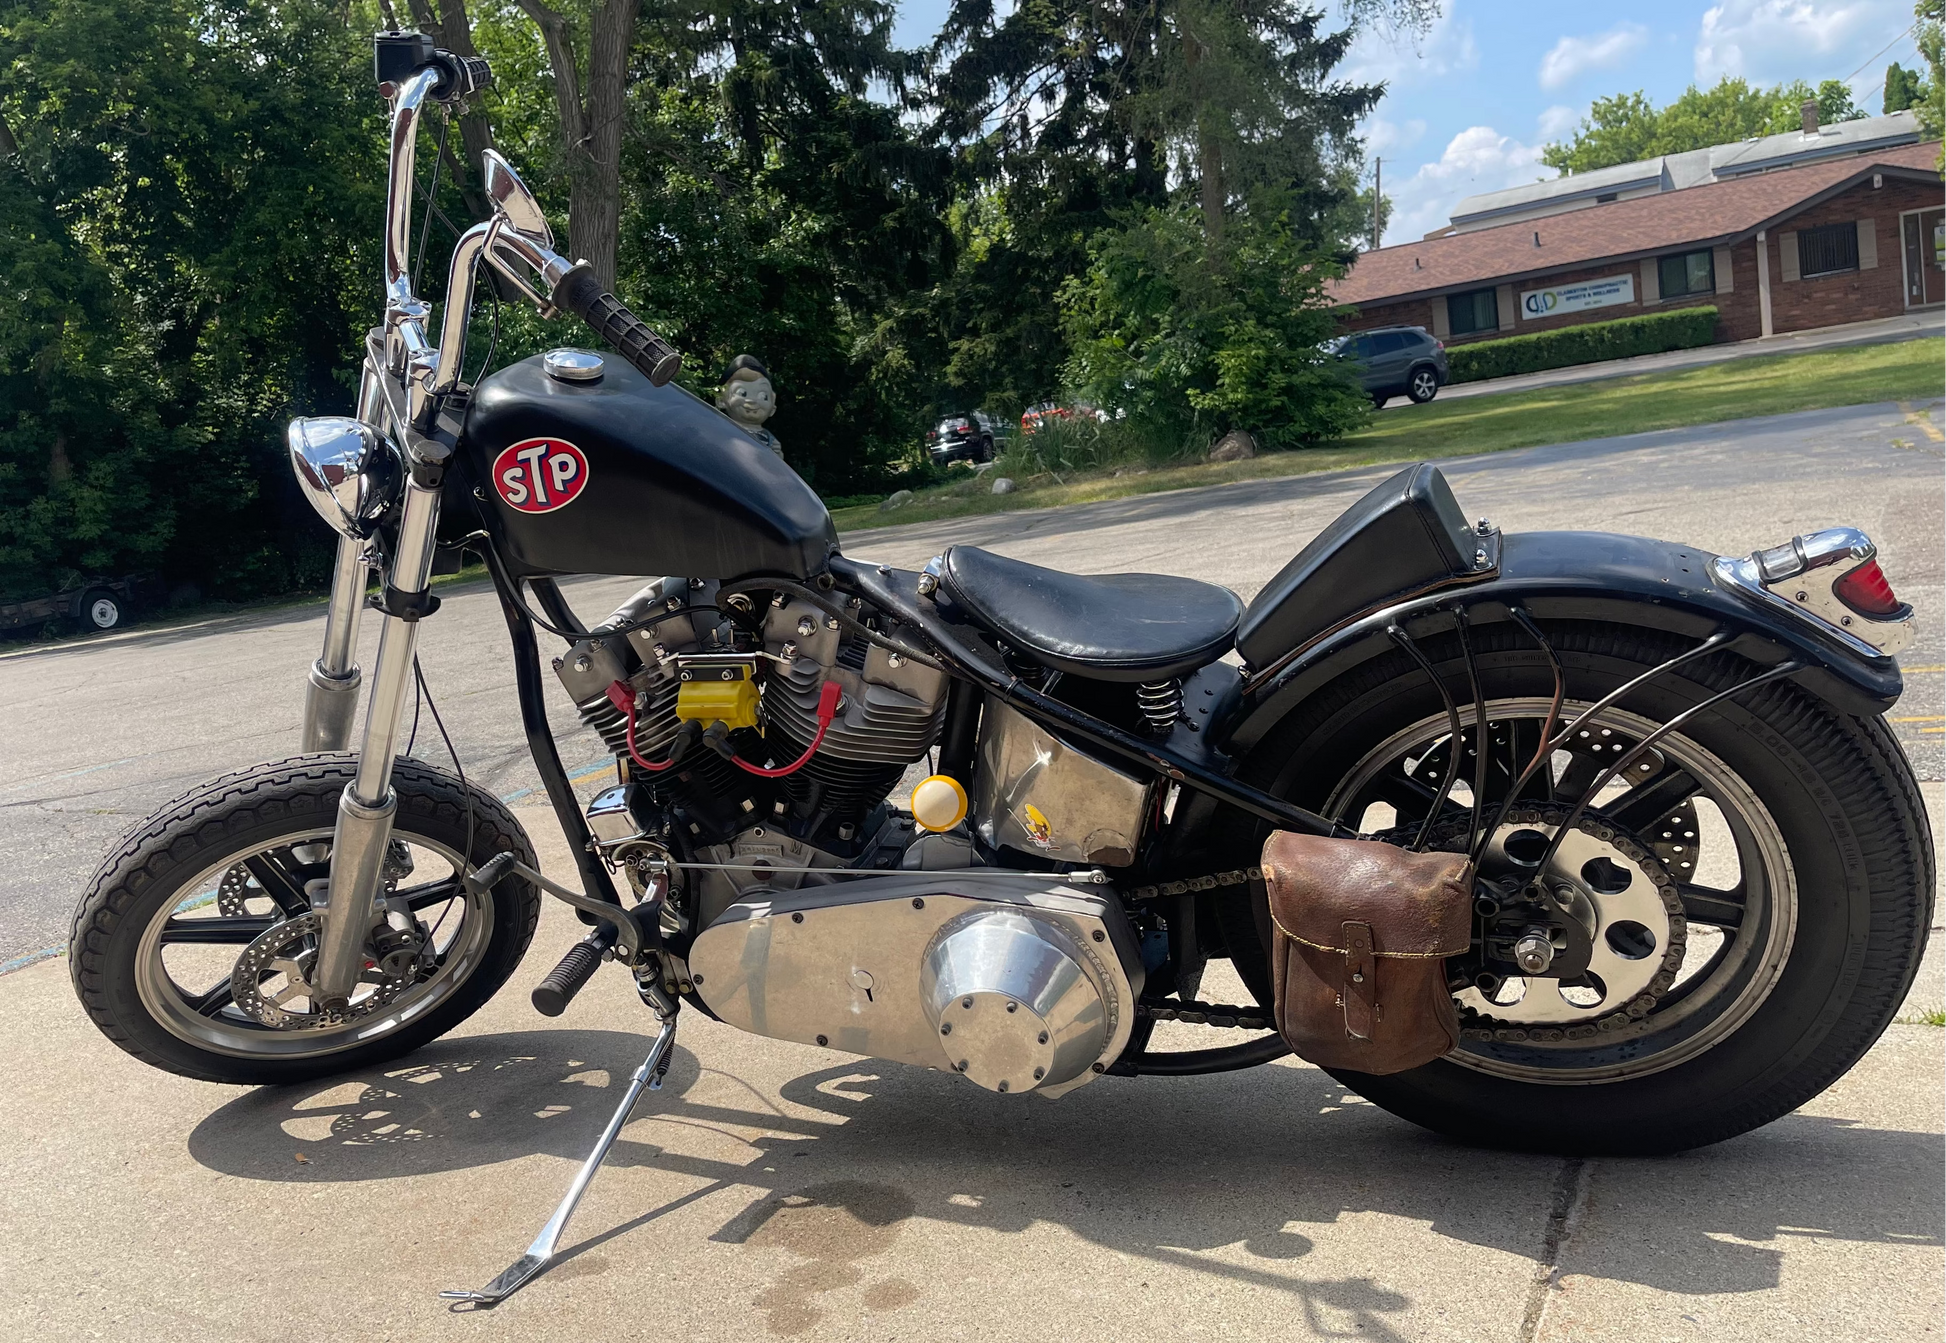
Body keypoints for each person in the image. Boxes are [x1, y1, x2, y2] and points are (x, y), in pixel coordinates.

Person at [716, 354, 784, 458]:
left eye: (763, 396)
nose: (752, 401)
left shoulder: (769, 438)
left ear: (772, 409)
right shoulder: (724, 428)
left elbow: (778, 464)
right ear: (721, 401)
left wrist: (777, 453)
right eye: (742, 393)